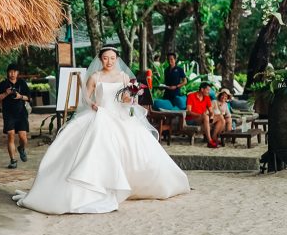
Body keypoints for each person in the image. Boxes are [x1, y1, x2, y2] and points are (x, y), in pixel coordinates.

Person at [13, 46, 190, 214]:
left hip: (121, 117)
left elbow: (128, 98)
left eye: (112, 58)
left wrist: (130, 100)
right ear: (100, 59)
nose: (109, 61)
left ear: (117, 59)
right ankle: (101, 186)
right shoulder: (95, 77)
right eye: (105, 58)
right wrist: (93, 105)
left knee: (136, 149)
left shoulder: (123, 77)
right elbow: (85, 97)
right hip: (100, 115)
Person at [0, 63, 33, 169]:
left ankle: (21, 148)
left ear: (17, 73)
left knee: (23, 138)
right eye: (10, 71)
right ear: (8, 73)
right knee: (10, 135)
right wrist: (6, 93)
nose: (12, 74)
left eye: (15, 72)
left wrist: (20, 96)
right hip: (8, 114)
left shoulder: (22, 83)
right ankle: (13, 160)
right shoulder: (3, 84)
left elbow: (29, 98)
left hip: (21, 114)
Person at [186, 82, 218, 148]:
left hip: (203, 119)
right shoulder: (191, 96)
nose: (209, 92)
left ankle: (214, 138)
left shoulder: (207, 98)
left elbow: (211, 111)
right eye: (208, 90)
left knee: (220, 118)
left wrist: (211, 115)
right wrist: (200, 115)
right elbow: (188, 112)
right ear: (202, 89)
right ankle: (209, 141)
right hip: (191, 119)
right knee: (205, 116)